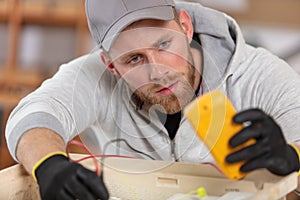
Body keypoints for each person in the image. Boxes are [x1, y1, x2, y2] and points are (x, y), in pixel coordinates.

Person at [5, 0, 300, 199]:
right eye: (134, 59)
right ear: (110, 65)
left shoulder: (260, 75)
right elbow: (35, 114)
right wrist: (49, 164)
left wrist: (290, 156)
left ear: (185, 26)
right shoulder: (93, 77)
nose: (157, 71)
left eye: (163, 44)